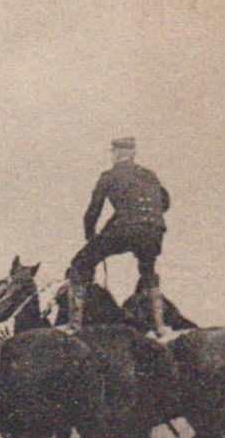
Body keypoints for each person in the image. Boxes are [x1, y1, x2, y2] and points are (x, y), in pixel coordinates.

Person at [66, 137, 171, 335]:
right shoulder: (150, 175)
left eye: (115, 152)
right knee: (147, 271)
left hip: (125, 229)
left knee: (80, 262)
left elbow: (93, 210)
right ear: (133, 153)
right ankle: (159, 327)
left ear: (114, 154)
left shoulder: (109, 175)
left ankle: (74, 327)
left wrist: (90, 235)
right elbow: (165, 203)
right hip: (154, 231)